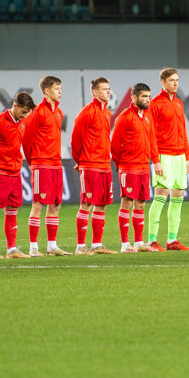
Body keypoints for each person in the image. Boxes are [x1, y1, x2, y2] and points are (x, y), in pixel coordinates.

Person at [0, 92, 35, 259]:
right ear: (15, 105)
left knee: (12, 211)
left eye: (27, 113)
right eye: (23, 112)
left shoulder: (23, 123)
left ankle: (12, 250)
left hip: (15, 172)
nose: (24, 115)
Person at [22, 75, 71, 256]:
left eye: (60, 88)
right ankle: (33, 247)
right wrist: (32, 162)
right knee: (38, 204)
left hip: (56, 164)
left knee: (56, 205)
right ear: (46, 91)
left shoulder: (57, 112)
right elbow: (26, 140)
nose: (60, 91)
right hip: (41, 163)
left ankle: (52, 246)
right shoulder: (37, 111)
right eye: (57, 88)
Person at [111, 82, 161, 252]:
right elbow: (115, 145)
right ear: (134, 98)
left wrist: (156, 161)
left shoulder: (147, 116)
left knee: (141, 203)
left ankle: (139, 243)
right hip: (128, 167)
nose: (147, 100)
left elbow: (152, 139)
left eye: (148, 96)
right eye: (144, 97)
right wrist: (121, 164)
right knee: (127, 202)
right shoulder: (124, 118)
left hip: (144, 167)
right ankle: (126, 244)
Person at [71, 77, 117, 255]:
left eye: (109, 88)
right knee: (87, 203)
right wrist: (79, 161)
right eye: (104, 89)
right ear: (95, 92)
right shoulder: (86, 112)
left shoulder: (107, 113)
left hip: (105, 164)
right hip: (90, 164)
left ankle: (97, 245)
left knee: (102, 204)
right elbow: (76, 140)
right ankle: (80, 246)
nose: (108, 92)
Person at [148, 67, 189, 251]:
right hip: (164, 156)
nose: (175, 83)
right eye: (172, 80)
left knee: (178, 197)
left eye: (177, 80)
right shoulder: (155, 103)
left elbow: (183, 131)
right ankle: (151, 240)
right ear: (163, 82)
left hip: (180, 157)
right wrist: (155, 159)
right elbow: (150, 134)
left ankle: (172, 240)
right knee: (160, 197)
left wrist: (187, 157)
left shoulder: (179, 103)